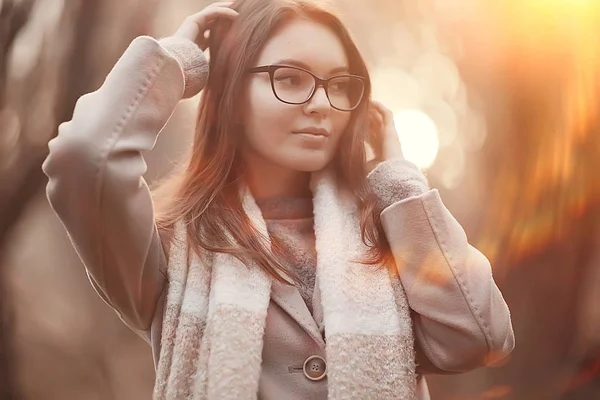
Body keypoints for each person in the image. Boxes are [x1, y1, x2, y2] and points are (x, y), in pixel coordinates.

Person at [42, 0, 515, 398]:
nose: (321, 103)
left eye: (339, 83)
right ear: (230, 92)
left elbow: (481, 337)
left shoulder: (389, 232)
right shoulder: (171, 247)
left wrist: (400, 185)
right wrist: (173, 63)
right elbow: (86, 157)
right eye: (289, 78)